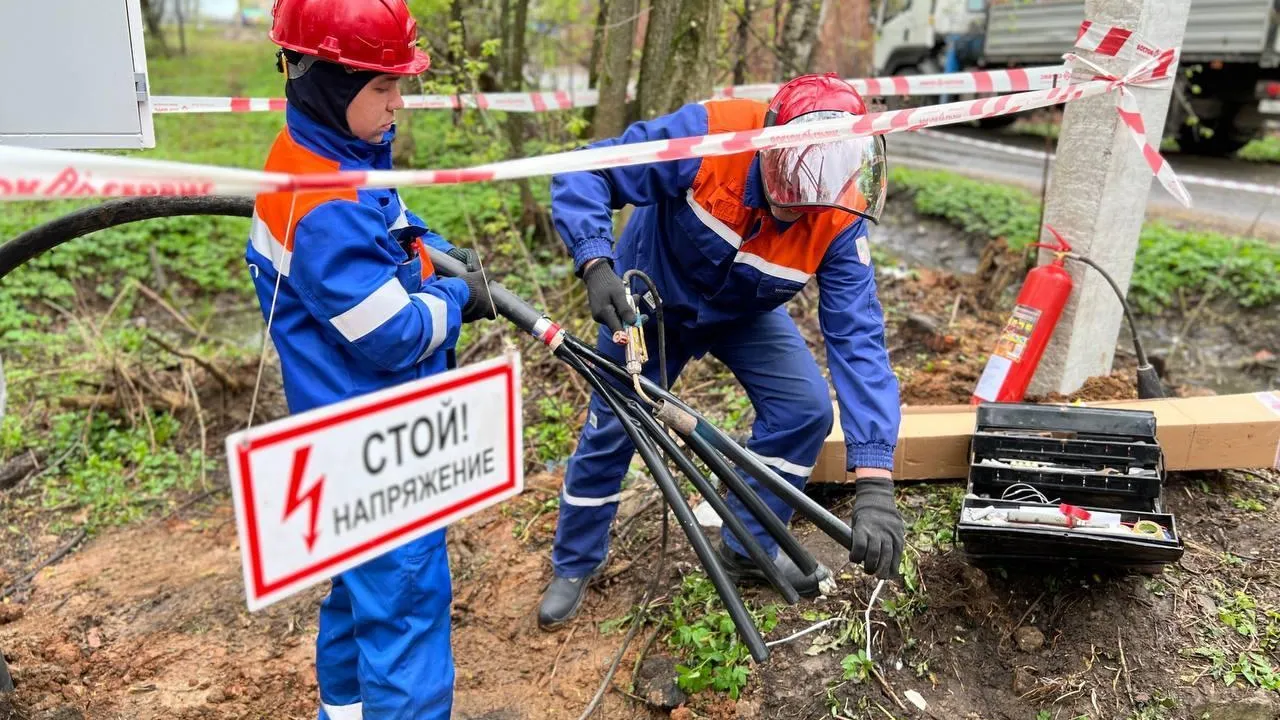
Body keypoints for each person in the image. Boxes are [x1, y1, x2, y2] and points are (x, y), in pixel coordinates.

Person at [538, 74, 907, 629]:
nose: (800, 212)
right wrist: (595, 262)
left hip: (746, 311)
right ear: (770, 144)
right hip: (650, 300)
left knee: (804, 410)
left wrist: (876, 479)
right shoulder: (711, 134)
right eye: (792, 189)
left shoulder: (840, 213)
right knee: (611, 425)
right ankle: (574, 562)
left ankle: (747, 543)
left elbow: (858, 338)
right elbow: (587, 167)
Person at [248, 0, 491, 717]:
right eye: (382, 88)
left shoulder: (326, 156)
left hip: (335, 432)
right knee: (407, 611)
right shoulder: (322, 201)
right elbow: (389, 336)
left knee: (357, 596)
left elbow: (383, 229)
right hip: (377, 442)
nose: (397, 103)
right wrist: (456, 301)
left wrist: (431, 248)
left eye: (399, 84)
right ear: (324, 80)